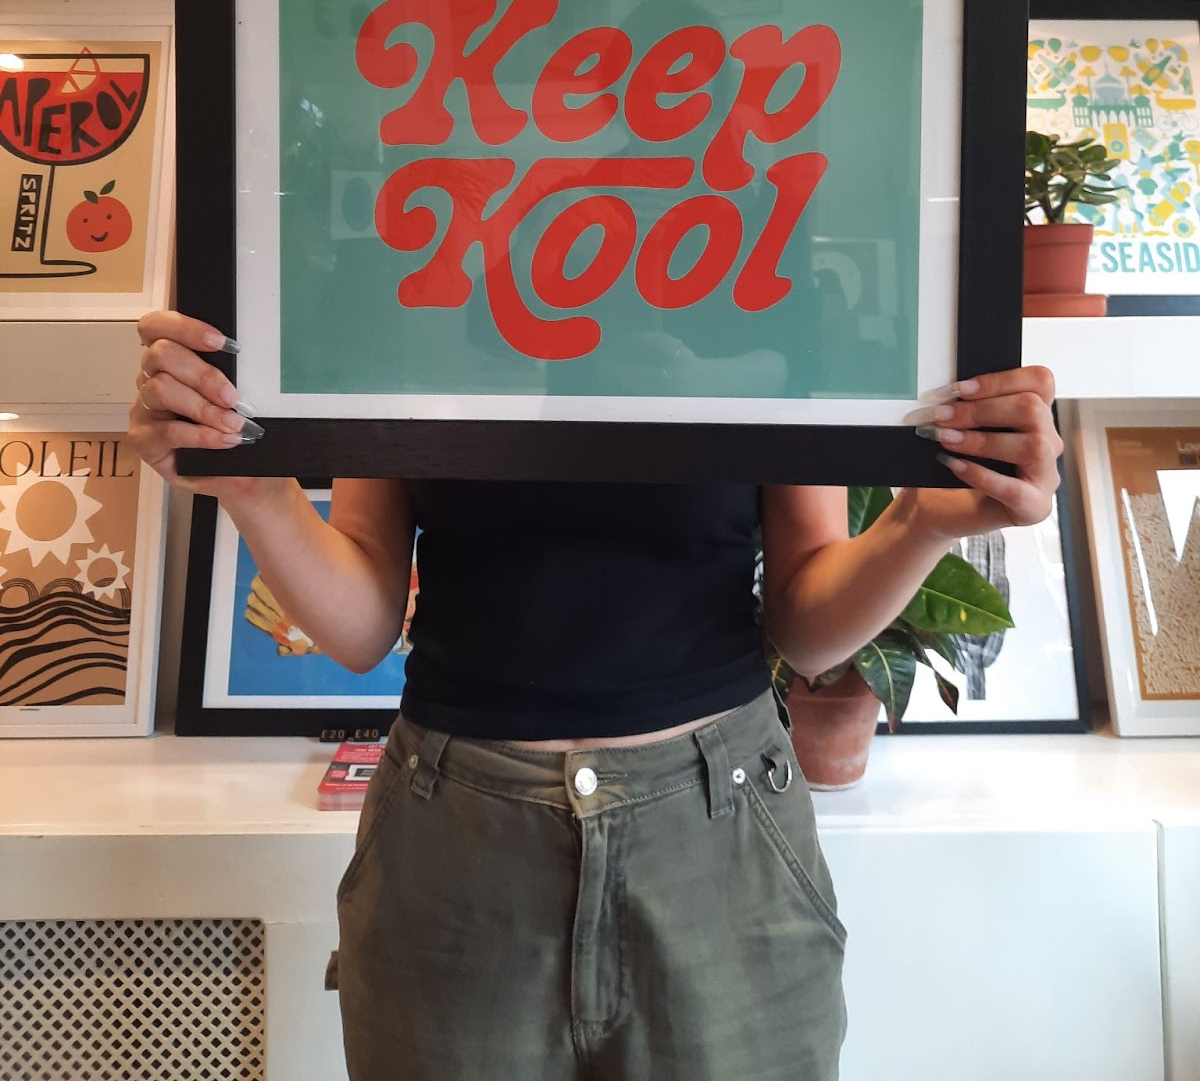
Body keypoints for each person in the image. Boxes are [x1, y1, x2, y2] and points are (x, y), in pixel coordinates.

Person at [129, 310, 1062, 1081]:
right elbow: (365, 622)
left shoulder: (758, 296)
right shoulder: (422, 293)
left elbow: (805, 622)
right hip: (456, 844)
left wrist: (920, 522)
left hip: (720, 841)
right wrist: (257, 493)